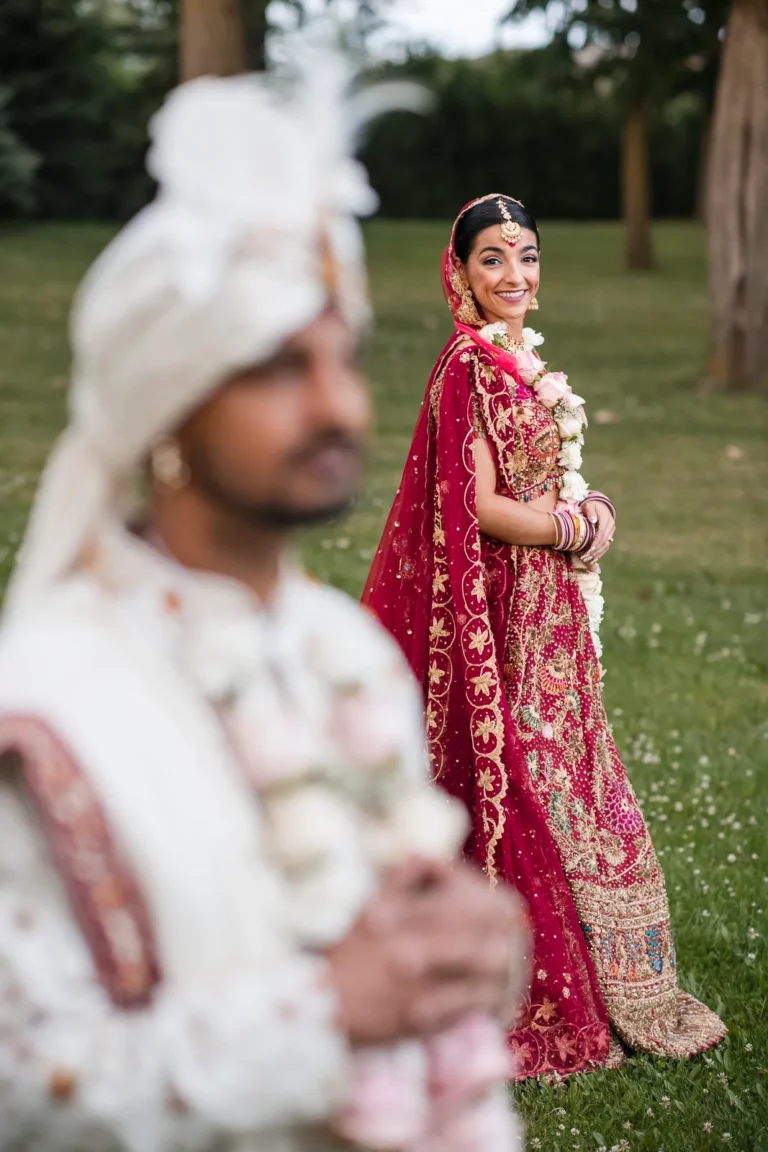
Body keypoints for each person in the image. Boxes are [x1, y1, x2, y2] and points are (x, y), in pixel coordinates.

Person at [0, 67, 528, 1151]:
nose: (340, 405)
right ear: (167, 407)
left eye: (347, 359)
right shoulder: (44, 702)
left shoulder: (342, 649)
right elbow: (26, 1090)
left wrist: (469, 955)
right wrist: (326, 1020)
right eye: (282, 368)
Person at [362, 194, 727, 1079]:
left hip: (552, 609)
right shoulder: (466, 368)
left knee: (576, 777)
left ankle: (626, 978)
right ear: (460, 273)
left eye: (525, 255)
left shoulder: (521, 362)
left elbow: (549, 479)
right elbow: (477, 506)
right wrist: (568, 526)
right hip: (505, 615)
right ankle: (534, 975)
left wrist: (588, 510)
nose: (514, 275)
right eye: (492, 259)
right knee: (526, 780)